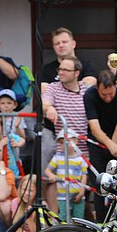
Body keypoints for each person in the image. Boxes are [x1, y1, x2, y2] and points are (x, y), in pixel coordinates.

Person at [42, 55, 89, 207]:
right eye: (60, 69)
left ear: (76, 73)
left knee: (82, 195)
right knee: (59, 189)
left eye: (65, 70)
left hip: (84, 149)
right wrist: (49, 108)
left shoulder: (86, 90)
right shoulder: (53, 87)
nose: (60, 72)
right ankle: (56, 224)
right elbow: (45, 103)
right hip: (63, 151)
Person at [86, 70, 117, 221]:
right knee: (100, 185)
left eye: (110, 94)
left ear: (116, 85)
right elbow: (94, 127)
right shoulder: (90, 95)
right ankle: (101, 226)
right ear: (96, 87)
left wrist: (114, 146)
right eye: (103, 94)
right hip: (98, 143)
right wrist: (109, 144)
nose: (107, 98)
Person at [45, 129, 88, 223]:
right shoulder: (57, 157)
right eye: (61, 143)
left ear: (75, 141)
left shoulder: (80, 158)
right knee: (62, 216)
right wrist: (51, 175)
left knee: (79, 218)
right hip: (62, 195)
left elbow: (84, 176)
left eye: (66, 141)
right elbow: (47, 170)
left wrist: (82, 192)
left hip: (77, 194)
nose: (63, 144)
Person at [0, 114, 23, 180]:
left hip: (15, 172)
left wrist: (17, 144)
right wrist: (0, 145)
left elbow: (22, 140)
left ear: (2, 129)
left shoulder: (9, 137)